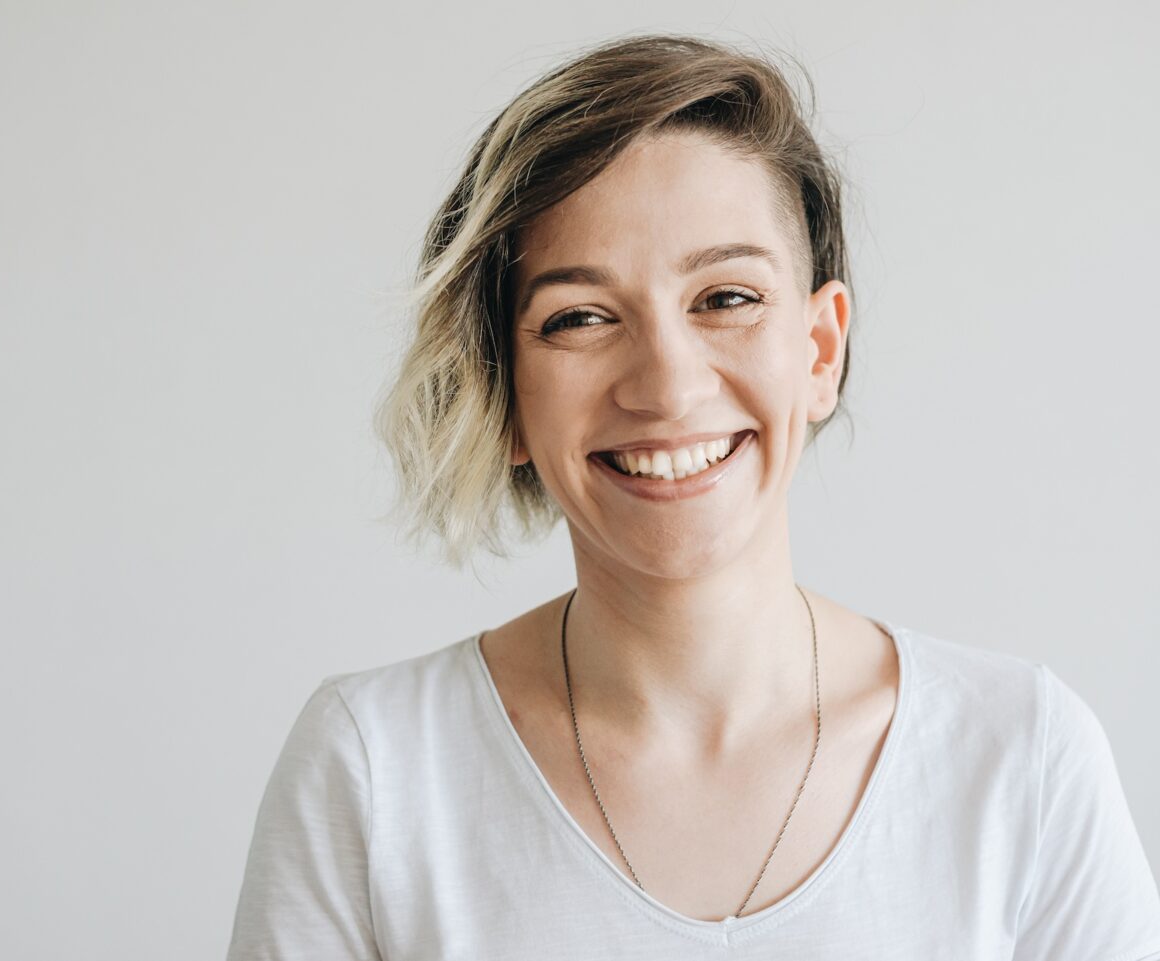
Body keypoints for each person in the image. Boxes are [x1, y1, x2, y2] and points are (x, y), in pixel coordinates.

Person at [225, 33, 1160, 959]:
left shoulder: (1023, 760)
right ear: (503, 393)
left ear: (819, 350)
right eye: (580, 317)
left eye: (726, 298)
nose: (666, 387)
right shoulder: (374, 770)